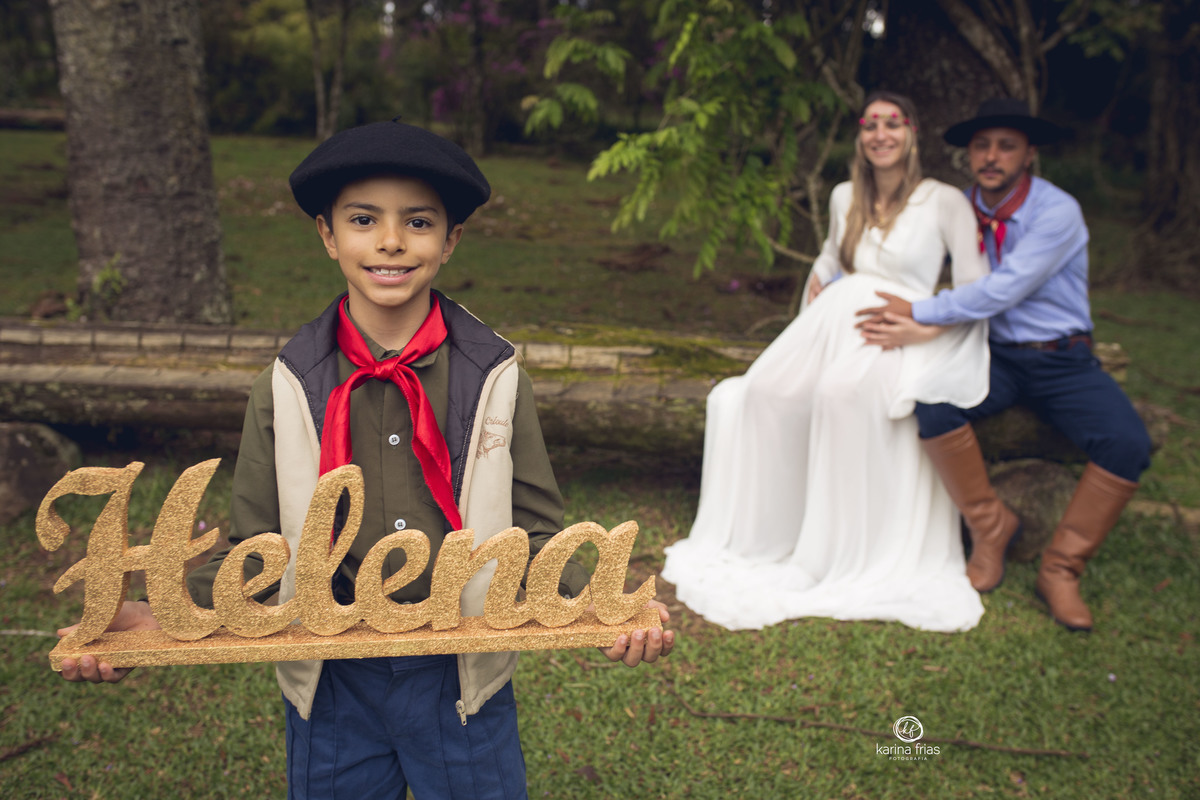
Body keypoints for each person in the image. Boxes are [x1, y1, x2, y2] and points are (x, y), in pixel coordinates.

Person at [56, 119, 674, 798]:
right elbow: (259, 548)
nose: (389, 241)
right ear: (327, 234)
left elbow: (535, 535)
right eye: (363, 219)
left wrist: (603, 607)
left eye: (417, 221)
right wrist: (158, 616)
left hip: (459, 671)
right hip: (332, 676)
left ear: (450, 239)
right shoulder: (287, 383)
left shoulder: (493, 374)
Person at [661, 91, 991, 633]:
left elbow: (977, 285)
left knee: (842, 398)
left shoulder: (944, 201)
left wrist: (922, 325)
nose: (880, 133)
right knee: (764, 395)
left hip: (899, 332)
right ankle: (774, 534)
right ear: (860, 136)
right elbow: (836, 258)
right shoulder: (844, 197)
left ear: (911, 133)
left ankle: (838, 549)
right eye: (870, 124)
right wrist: (821, 276)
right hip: (836, 324)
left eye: (892, 123)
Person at [856, 98, 1152, 632]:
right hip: (993, 355)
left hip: (1062, 358)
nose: (991, 156)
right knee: (933, 403)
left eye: (1006, 145)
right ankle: (990, 527)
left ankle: (1061, 568)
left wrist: (920, 312)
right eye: (982, 145)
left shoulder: (1055, 211)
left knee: (1127, 441)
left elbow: (1005, 287)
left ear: (1029, 153)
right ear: (970, 154)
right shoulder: (959, 205)